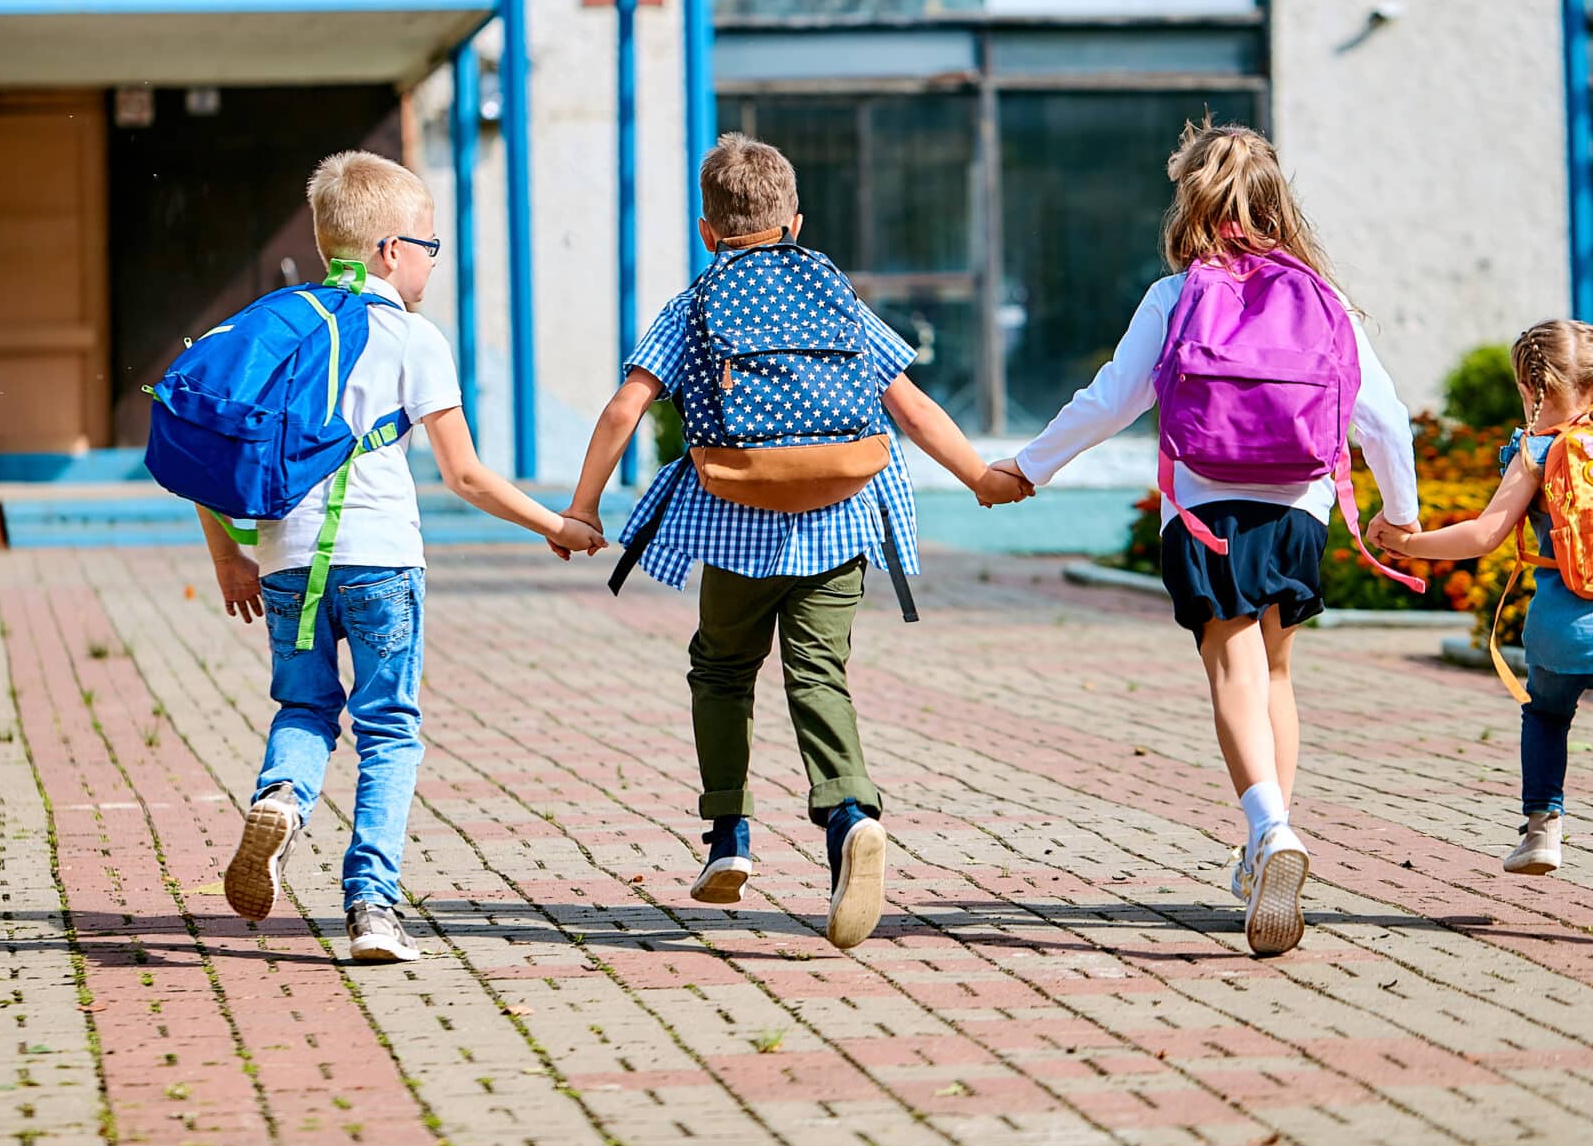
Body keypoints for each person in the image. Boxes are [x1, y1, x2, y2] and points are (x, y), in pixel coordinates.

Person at [981, 122, 1420, 956]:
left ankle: (1269, 829)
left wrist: (1029, 468)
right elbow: (1385, 417)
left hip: (1205, 507)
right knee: (1276, 669)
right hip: (1297, 508)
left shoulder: (1177, 293)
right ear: (1278, 201)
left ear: (1191, 202)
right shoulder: (1325, 300)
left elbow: (1111, 400)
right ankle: (1267, 849)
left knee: (1231, 666)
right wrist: (1400, 514)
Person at [562, 134, 998, 950]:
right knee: (817, 671)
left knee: (722, 668)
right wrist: (979, 474)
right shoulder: (835, 293)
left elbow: (625, 407)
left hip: (738, 521)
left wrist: (584, 508)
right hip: (840, 515)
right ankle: (846, 814)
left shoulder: (695, 302)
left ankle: (729, 834)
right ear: (795, 219)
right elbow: (909, 405)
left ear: (707, 229)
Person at [200, 151, 603, 963]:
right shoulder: (413, 338)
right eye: (428, 243)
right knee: (388, 729)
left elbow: (199, 438)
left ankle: (280, 795)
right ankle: (372, 909)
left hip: (284, 559)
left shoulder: (272, 329)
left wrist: (229, 555)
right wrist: (553, 525)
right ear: (388, 249)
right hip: (381, 557)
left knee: (305, 710)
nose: (430, 260)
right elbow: (464, 474)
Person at [1377, 320, 1593, 941]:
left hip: (1567, 630)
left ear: (1535, 386)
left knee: (1547, 714)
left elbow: (1483, 536)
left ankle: (1542, 829)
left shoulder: (1540, 447)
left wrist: (1407, 542)